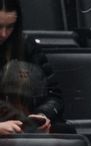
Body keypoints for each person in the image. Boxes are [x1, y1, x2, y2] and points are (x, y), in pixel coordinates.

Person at [0, 0, 65, 135]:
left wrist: (42, 115)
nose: (4, 34)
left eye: (10, 26)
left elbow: (54, 96)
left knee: (64, 131)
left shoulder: (27, 46)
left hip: (24, 127)